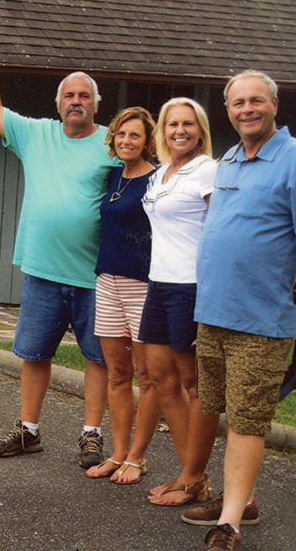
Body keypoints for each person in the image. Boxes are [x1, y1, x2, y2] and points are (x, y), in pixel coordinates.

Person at [0, 18, 120, 467]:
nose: (77, 101)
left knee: (98, 359)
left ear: (97, 104)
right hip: (42, 269)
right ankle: (28, 431)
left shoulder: (115, 143)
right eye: (69, 96)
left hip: (96, 275)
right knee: (34, 354)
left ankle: (91, 435)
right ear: (58, 104)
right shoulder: (36, 134)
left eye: (84, 96)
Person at [183, 70, 296, 551]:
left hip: (261, 319)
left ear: (275, 105)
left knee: (249, 420)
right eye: (238, 103)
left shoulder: (295, 158)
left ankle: (229, 525)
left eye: (256, 101)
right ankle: (241, 499)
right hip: (214, 314)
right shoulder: (229, 159)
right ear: (228, 110)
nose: (247, 109)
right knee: (223, 411)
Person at [141, 98, 219, 507]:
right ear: (164, 130)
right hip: (160, 284)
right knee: (159, 378)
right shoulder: (162, 173)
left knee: (195, 383)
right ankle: (192, 471)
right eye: (173, 125)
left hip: (190, 286)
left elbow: (218, 229)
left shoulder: (208, 170)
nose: (180, 131)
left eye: (188, 124)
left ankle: (194, 478)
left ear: (200, 129)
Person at [86, 107, 160, 484]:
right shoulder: (115, 176)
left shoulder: (159, 179)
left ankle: (137, 456)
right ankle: (117, 452)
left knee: (148, 376)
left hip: (143, 286)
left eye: (135, 135)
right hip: (108, 281)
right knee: (117, 373)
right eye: (121, 134)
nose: (127, 141)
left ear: (148, 141)